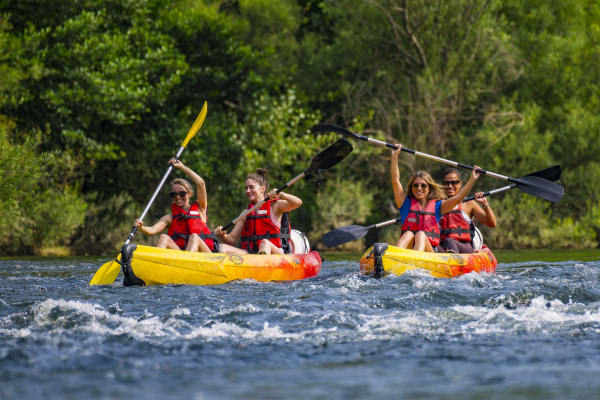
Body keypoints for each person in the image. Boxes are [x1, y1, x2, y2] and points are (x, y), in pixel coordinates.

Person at [390, 144, 481, 252]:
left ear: (429, 188)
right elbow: (395, 181)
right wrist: (394, 157)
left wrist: (472, 179)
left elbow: (458, 198)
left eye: (423, 185)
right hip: (409, 250)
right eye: (415, 185)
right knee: (409, 234)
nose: (419, 188)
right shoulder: (405, 204)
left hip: (430, 251)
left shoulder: (438, 206)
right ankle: (394, 257)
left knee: (420, 234)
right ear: (411, 187)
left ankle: (416, 264)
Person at [133, 158, 219, 253]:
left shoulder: (200, 209)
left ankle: (186, 264)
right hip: (182, 257)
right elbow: (152, 230)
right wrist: (141, 227)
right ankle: (156, 264)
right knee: (163, 237)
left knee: (194, 237)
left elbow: (201, 183)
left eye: (182, 194)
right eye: (173, 194)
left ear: (189, 194)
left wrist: (182, 167)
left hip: (204, 256)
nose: (178, 197)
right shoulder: (170, 218)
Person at [215, 168, 302, 255]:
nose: (248, 191)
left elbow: (298, 203)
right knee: (222, 247)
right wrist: (223, 235)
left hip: (275, 253)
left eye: (251, 187)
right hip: (252, 254)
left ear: (262, 189)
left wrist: (281, 194)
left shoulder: (275, 206)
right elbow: (232, 240)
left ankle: (262, 259)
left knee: (264, 243)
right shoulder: (246, 213)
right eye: (246, 188)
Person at [439, 168, 497, 253]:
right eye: (446, 183)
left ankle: (453, 260)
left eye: (454, 182)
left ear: (460, 184)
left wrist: (485, 204)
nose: (450, 186)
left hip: (464, 247)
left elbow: (492, 223)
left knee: (449, 241)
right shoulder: (438, 204)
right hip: (444, 246)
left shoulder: (469, 204)